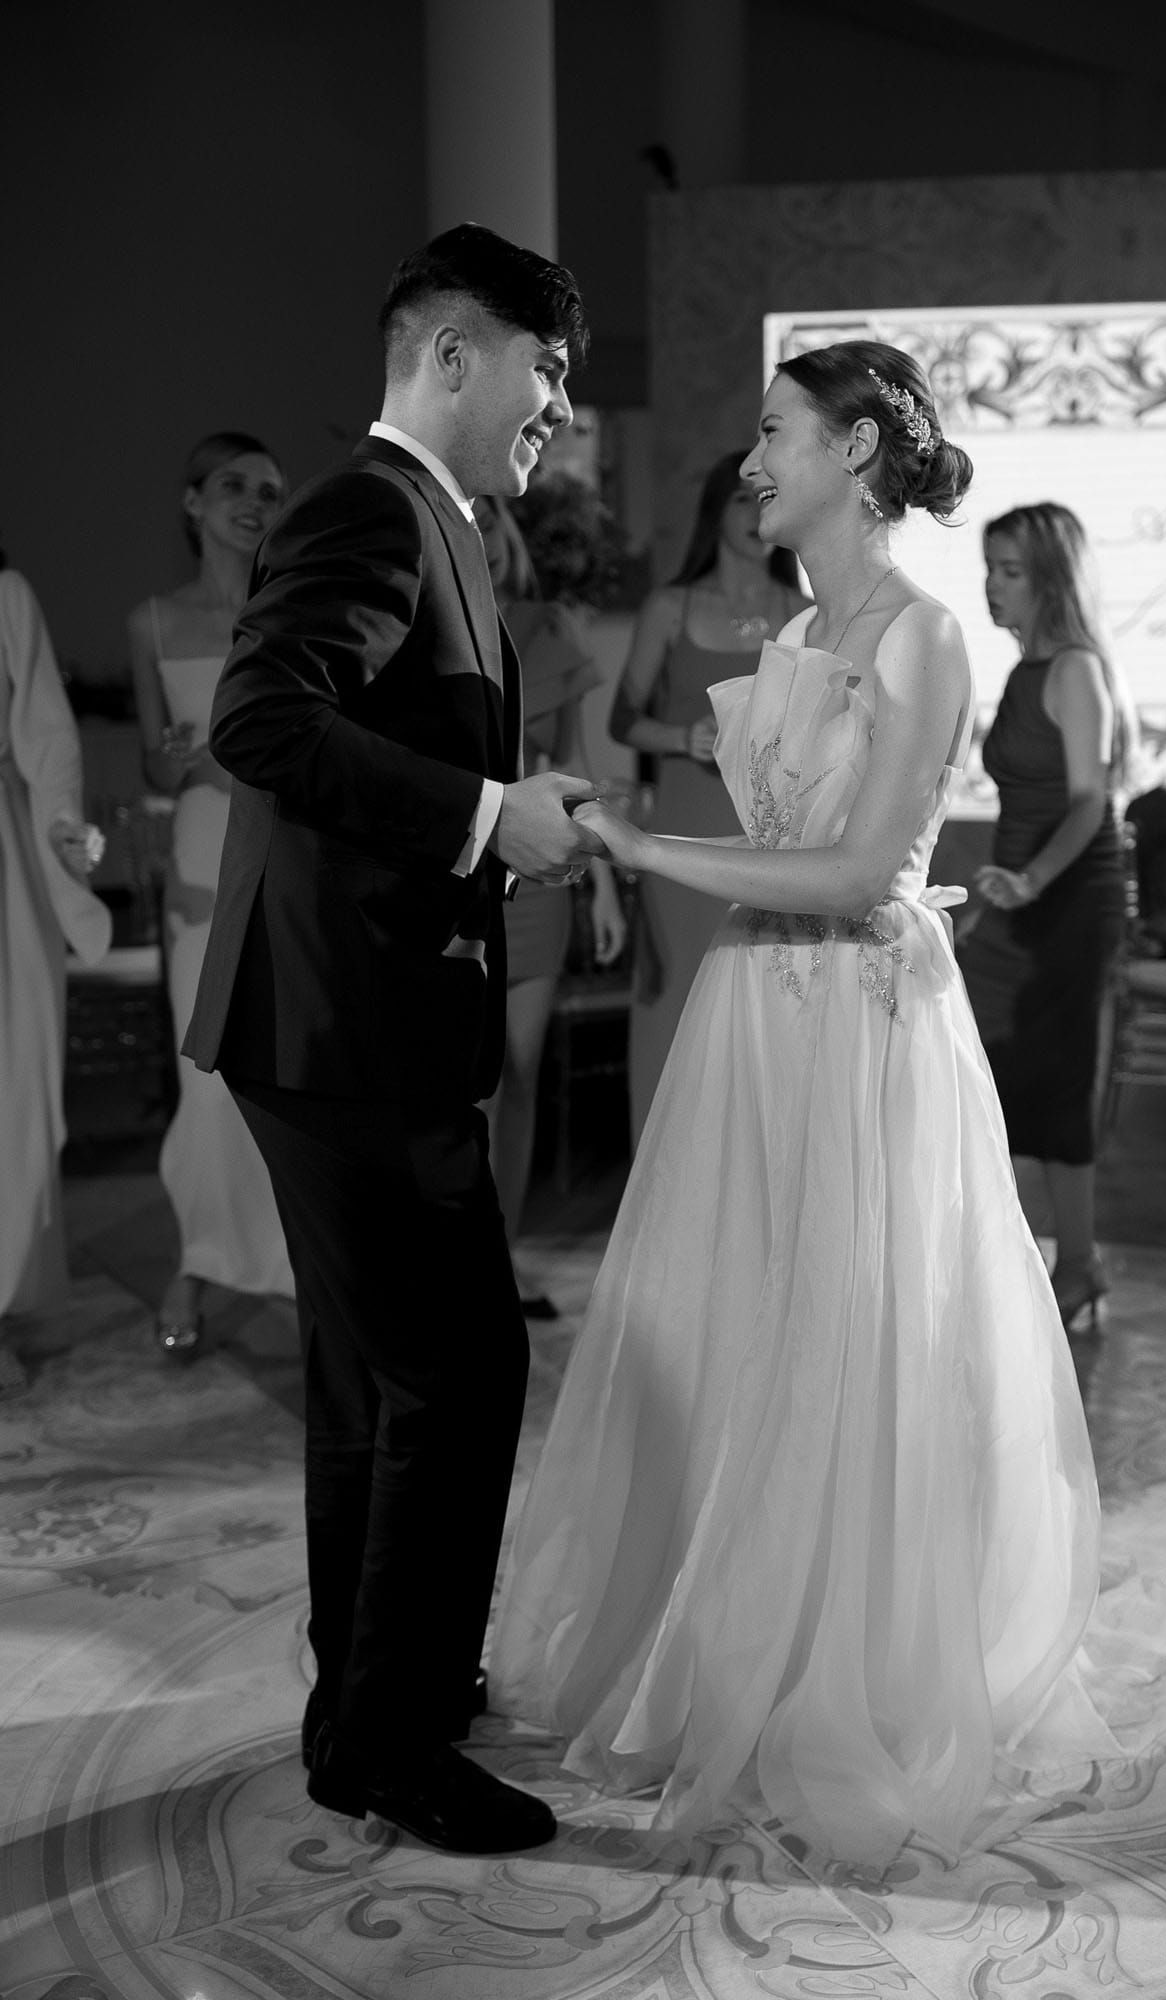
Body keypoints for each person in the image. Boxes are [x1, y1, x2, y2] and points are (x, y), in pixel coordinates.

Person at [492, 343, 1149, 1866]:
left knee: (844, 1339)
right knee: (734, 1327)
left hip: (857, 1016)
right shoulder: (796, 627)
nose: (750, 464)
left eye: (775, 434)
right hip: (750, 1015)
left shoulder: (919, 639)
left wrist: (647, 853)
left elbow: (864, 873)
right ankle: (719, 1638)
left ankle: (822, 1670)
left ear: (857, 451)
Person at [181, 223, 600, 1858]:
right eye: (543, 367)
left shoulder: (447, 522)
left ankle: (363, 1709)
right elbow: (260, 718)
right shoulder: (369, 504)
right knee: (460, 1369)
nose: (556, 404)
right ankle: (400, 1734)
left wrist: (492, 822)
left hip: (349, 1015)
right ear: (446, 354)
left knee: (375, 1381)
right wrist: (491, 815)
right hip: (346, 1018)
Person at [127, 435, 294, 1356]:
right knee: (207, 1089)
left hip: (280, 858)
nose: (253, 501)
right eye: (232, 485)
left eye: (268, 490)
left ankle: (291, 1263)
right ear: (192, 503)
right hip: (200, 864)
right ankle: (197, 1262)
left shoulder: (293, 611)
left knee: (280, 1081)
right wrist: (179, 759)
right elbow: (157, 759)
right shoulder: (151, 621)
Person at [961, 503, 1136, 1333]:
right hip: (1018, 894)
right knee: (995, 1077)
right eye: (990, 569)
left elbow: (1088, 804)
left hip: (1069, 898)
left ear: (1051, 580)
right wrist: (997, 897)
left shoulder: (1073, 669)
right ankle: (1041, 1260)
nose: (991, 587)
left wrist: (1028, 883)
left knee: (1055, 1078)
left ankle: (1077, 1262)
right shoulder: (1022, 669)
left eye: (1010, 572)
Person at [609, 450, 807, 1139]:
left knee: (766, 1017)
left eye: (766, 497)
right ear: (713, 512)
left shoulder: (805, 614)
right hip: (683, 832)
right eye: (739, 500)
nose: (754, 516)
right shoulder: (670, 607)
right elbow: (621, 720)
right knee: (676, 1009)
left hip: (770, 840)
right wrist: (677, 737)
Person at [475, 490, 625, 1317]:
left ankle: (502, 1253)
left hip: (537, 884)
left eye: (495, 520)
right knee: (475, 1080)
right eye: (471, 521)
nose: (487, 537)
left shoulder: (547, 627)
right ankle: (459, 1257)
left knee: (521, 1075)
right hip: (455, 872)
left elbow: (575, 765)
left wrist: (599, 878)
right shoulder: (425, 621)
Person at [1, 561, 110, 1396]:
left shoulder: (7, 595)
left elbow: (45, 738)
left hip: (6, 865)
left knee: (14, 1083)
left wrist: (66, 832)